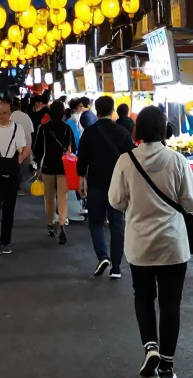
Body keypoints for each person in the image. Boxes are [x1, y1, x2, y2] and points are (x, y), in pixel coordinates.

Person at [108, 106, 193, 378]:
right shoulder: (177, 160)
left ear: (138, 130)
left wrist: (133, 203)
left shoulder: (126, 161)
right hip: (172, 243)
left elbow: (115, 200)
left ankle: (150, 348)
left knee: (144, 297)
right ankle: (168, 364)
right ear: (163, 130)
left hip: (139, 243)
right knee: (171, 302)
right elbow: (192, 202)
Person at [78, 95, 134, 278]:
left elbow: (82, 159)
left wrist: (81, 179)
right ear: (112, 111)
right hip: (118, 186)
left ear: (96, 111)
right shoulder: (122, 132)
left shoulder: (89, 132)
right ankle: (116, 267)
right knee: (117, 224)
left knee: (95, 222)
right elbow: (132, 158)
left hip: (95, 184)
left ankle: (102, 256)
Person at [0, 98, 29, 256]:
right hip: (11, 173)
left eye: (4, 113)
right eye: (1, 113)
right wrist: (17, 161)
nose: (3, 116)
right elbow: (22, 150)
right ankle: (4, 241)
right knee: (8, 208)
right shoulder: (18, 129)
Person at [32, 100, 76, 244]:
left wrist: (38, 166)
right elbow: (73, 149)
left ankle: (51, 225)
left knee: (49, 198)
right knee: (62, 197)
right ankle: (62, 225)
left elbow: (37, 150)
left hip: (48, 166)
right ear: (63, 113)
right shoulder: (67, 129)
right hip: (63, 166)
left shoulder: (43, 128)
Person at [8, 100, 35, 196]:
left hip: (11, 145)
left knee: (12, 166)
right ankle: (19, 186)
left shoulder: (9, 117)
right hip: (25, 144)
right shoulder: (26, 116)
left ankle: (13, 186)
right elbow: (31, 132)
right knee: (22, 165)